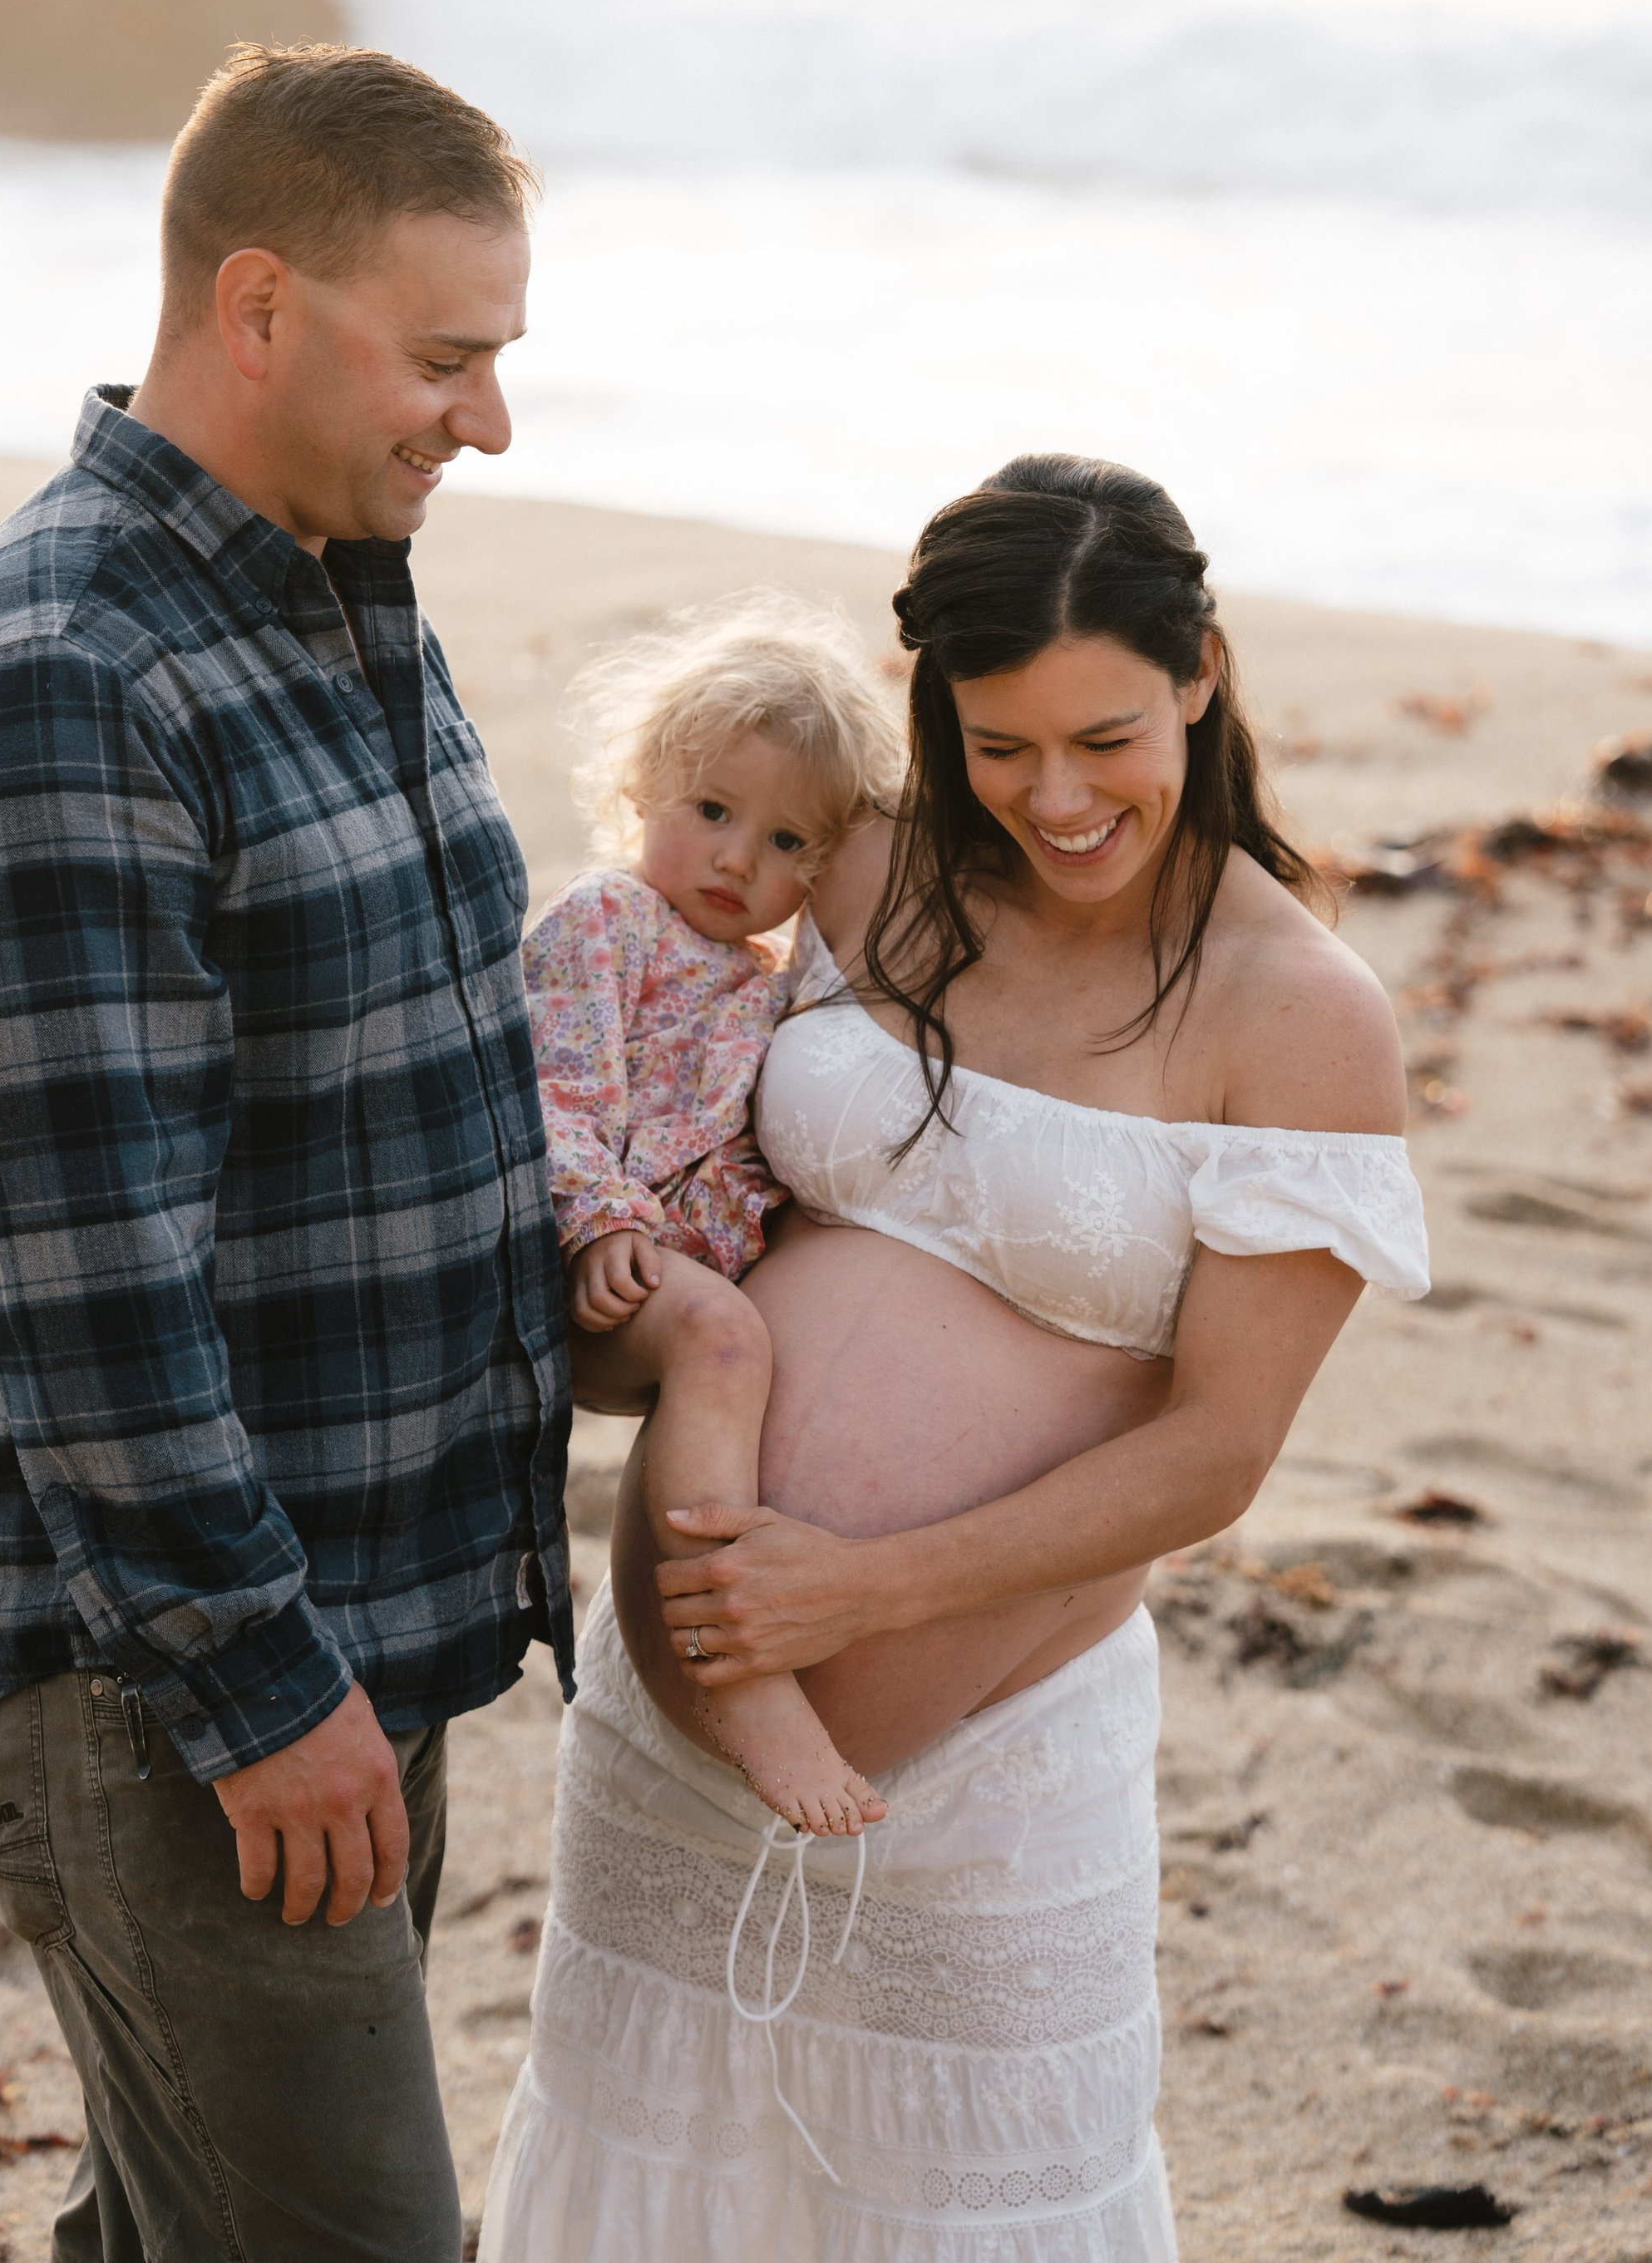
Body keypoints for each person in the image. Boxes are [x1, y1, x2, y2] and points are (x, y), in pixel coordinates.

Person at [484, 454, 1430, 2261]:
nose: (1054, 800)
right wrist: (630, 1333)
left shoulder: (1296, 1017)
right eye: (997, 746)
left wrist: (857, 1588)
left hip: (985, 1769)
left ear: (1199, 678)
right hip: (670, 1751)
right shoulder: (856, 863)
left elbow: (1216, 1454)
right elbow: (649, 1134)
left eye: (1102, 738)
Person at [0, 44, 573, 2263]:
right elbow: (87, 1288)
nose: (493, 420)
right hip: (175, 1696)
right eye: (446, 357)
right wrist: (266, 1699)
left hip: (346, 1635)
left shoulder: (332, 593)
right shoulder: (55, 680)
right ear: (260, 307)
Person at [525, 599, 900, 1837]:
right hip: (577, 1262)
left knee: (752, 1339)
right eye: (713, 812)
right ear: (646, 788)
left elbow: (745, 1155)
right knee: (724, 1341)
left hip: (671, 1270)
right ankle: (737, 1673)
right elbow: (557, 1097)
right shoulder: (604, 925)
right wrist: (601, 1228)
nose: (739, 860)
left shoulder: (766, 987)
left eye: (787, 839)